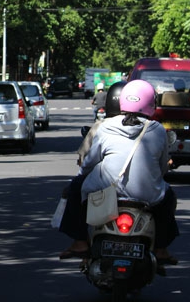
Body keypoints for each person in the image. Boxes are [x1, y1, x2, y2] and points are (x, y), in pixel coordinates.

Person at [59, 79, 179, 264]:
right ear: (150, 103)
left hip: (106, 189)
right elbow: (162, 166)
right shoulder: (157, 130)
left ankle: (80, 242)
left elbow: (91, 160)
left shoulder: (106, 126)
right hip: (147, 194)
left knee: (75, 188)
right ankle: (161, 248)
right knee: (168, 197)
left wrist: (81, 177)